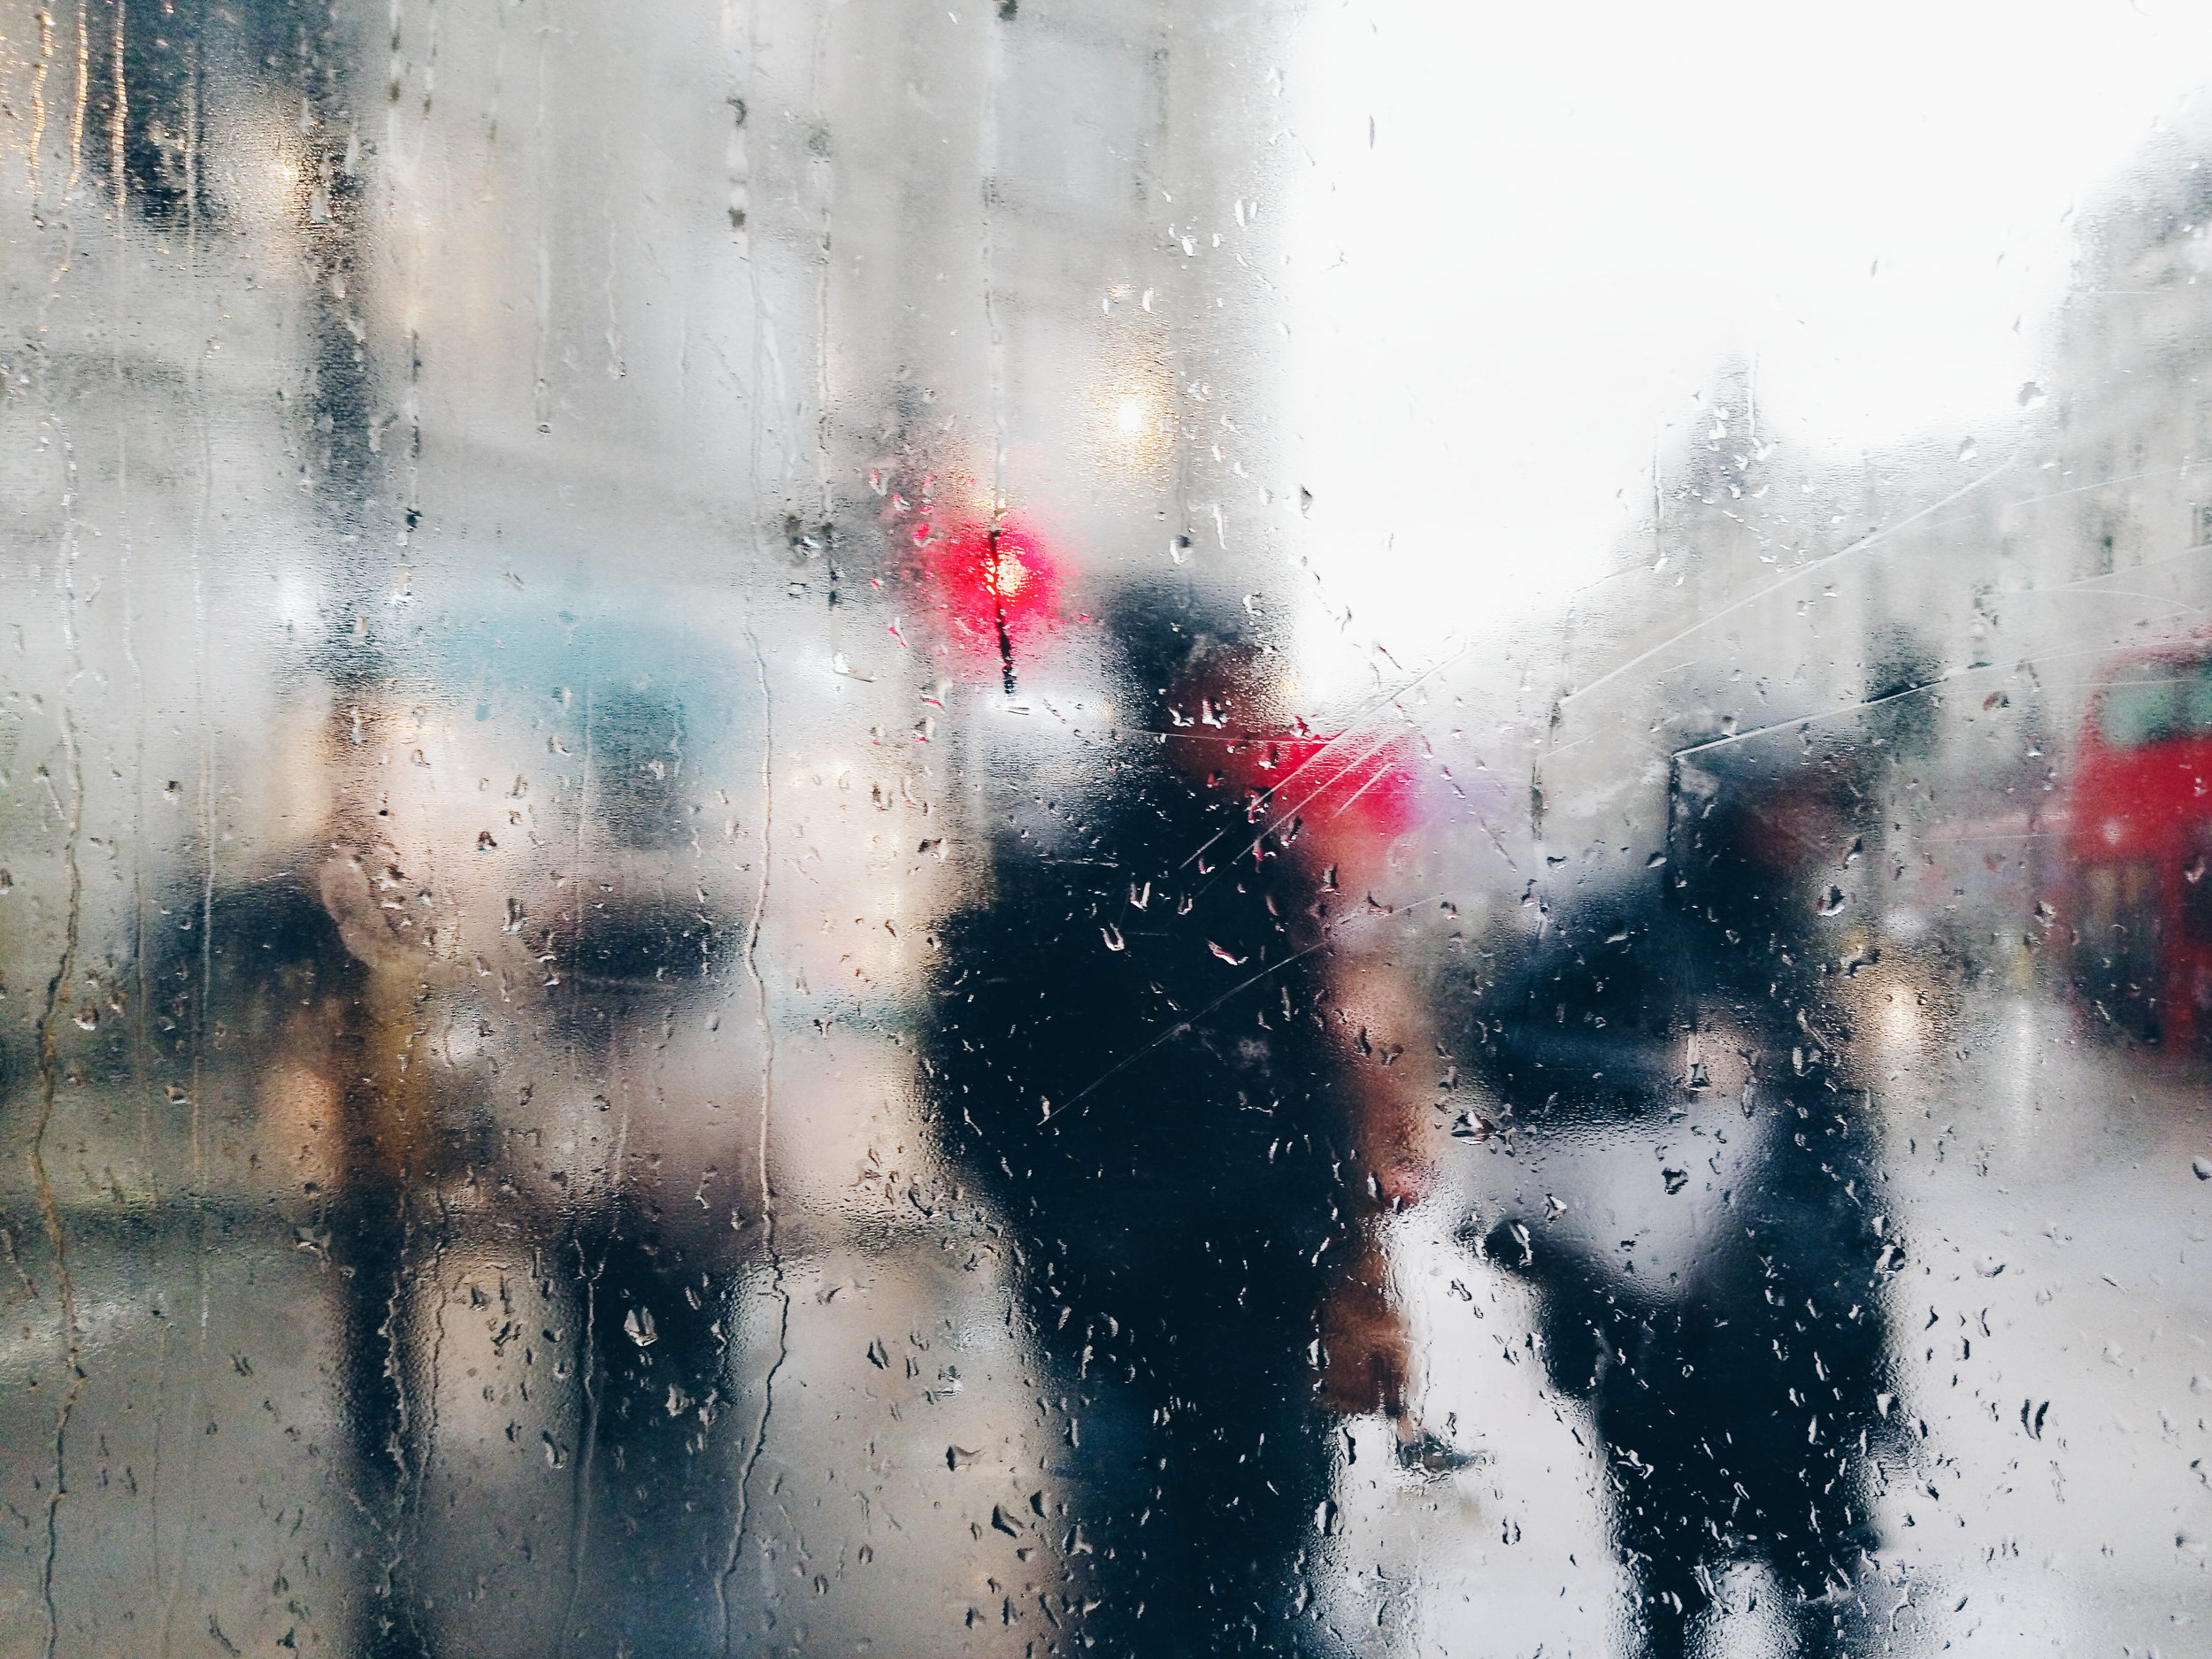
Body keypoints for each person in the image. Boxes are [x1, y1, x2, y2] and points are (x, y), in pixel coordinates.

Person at [923, 578, 1448, 1658]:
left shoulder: (1271, 857)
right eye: (1224, 694)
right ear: (1166, 701)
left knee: (1267, 1569)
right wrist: (1084, 1230)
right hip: (1126, 1308)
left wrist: (1339, 1236)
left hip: (1262, 1298)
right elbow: (975, 1077)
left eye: (1254, 690)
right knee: (1145, 1581)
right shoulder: (1066, 868)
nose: (1251, 719)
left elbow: (1303, 1070)